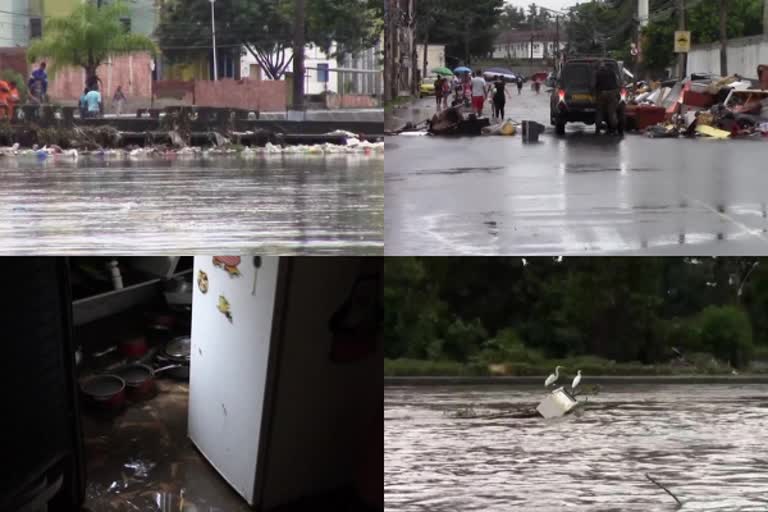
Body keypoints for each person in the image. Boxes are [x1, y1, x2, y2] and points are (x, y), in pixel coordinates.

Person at [594, 61, 621, 134]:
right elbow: (616, 83)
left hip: (602, 93)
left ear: (599, 67)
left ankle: (598, 129)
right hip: (612, 93)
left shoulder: (598, 73)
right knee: (612, 112)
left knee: (599, 111)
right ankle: (614, 129)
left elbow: (596, 84)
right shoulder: (612, 72)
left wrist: (594, 91)